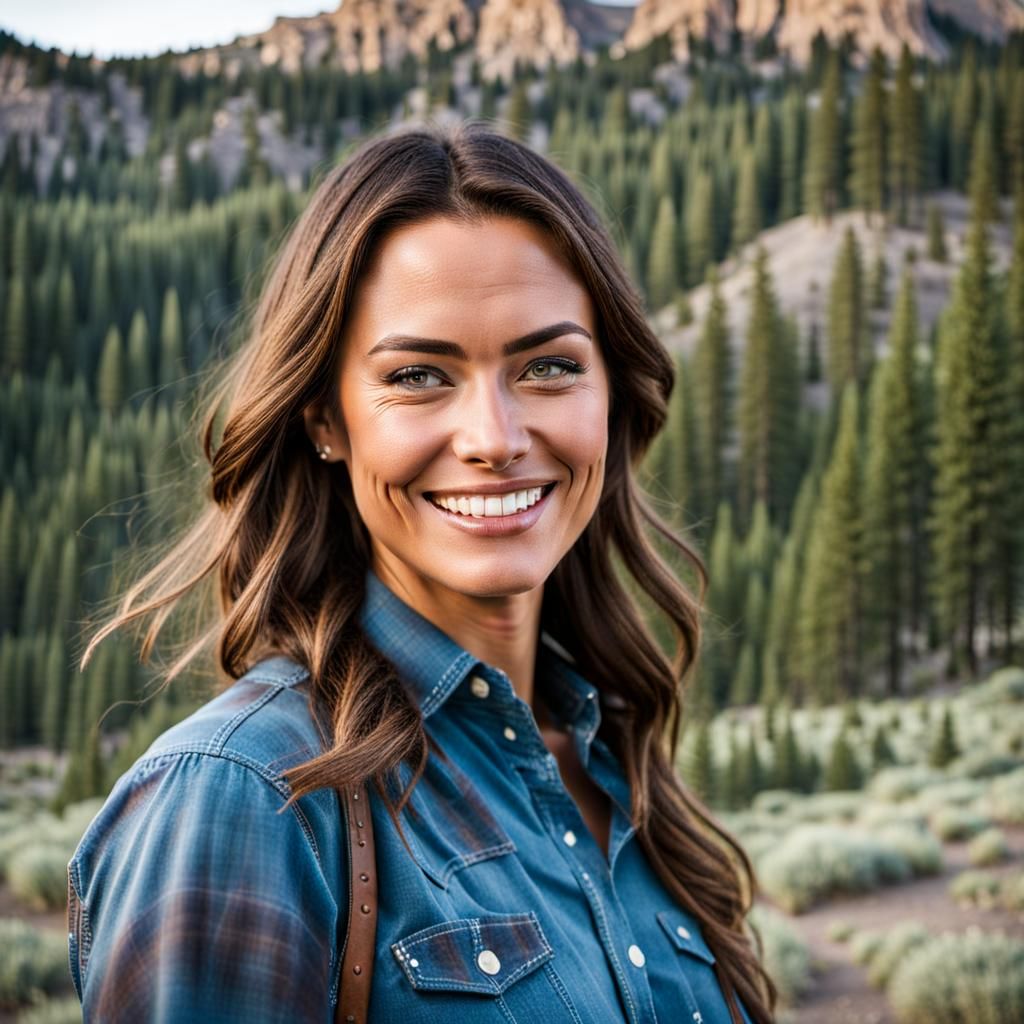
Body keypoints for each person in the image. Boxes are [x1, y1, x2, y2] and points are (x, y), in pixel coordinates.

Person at [67, 119, 776, 1023]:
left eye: (550, 366)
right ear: (325, 418)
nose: (495, 439)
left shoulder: (616, 773)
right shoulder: (244, 796)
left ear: (611, 393)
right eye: (418, 377)